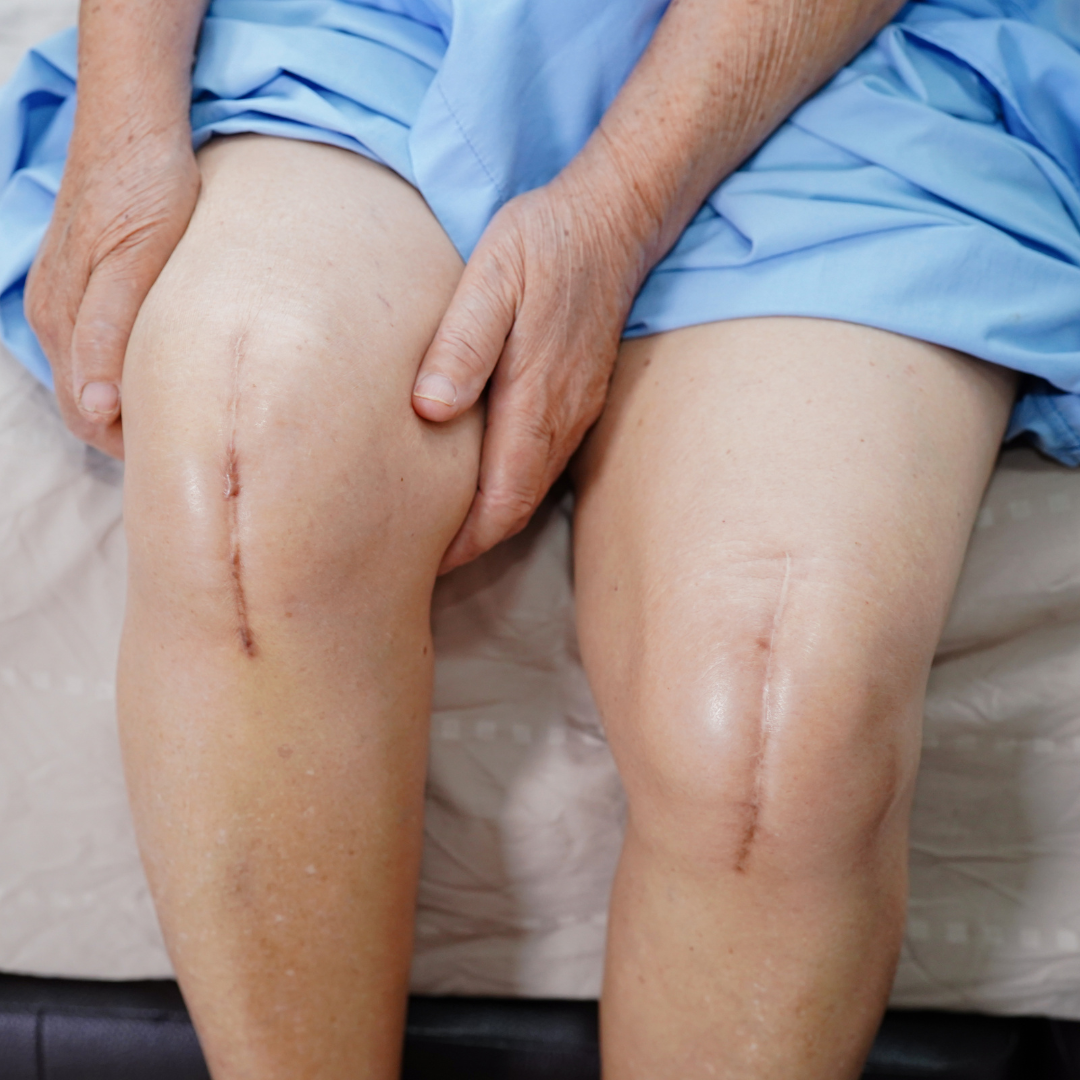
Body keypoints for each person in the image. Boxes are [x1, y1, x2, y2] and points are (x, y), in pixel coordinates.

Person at [0, 0, 1078, 1075]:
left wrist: (613, 215)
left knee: (770, 718)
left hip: (846, 66)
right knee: (245, 474)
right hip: (388, 25)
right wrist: (124, 120)